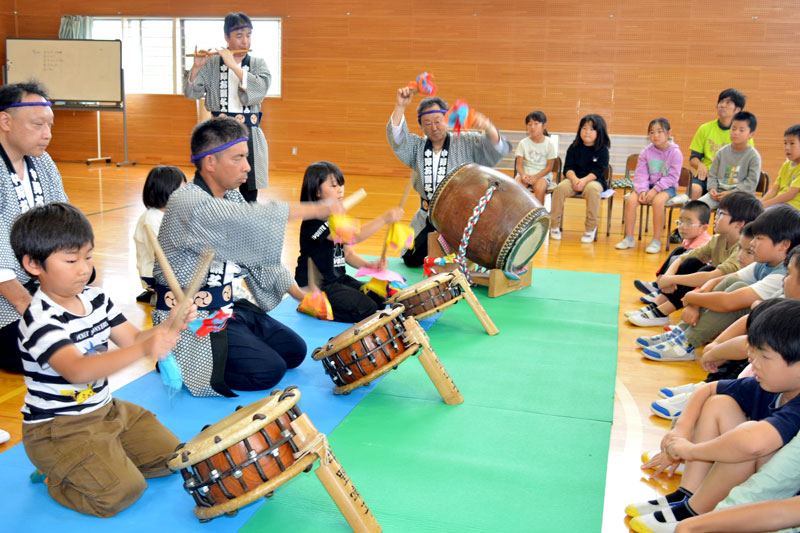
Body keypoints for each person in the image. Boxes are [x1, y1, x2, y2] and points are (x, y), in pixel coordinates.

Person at [10, 202, 195, 517]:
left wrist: (171, 324)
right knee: (121, 493)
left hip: (106, 410)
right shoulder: (39, 319)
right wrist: (147, 350)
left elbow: (134, 339)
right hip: (58, 429)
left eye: (88, 256)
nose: (83, 268)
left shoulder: (97, 299)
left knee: (175, 458)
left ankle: (101, 456)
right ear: (32, 264)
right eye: (71, 260)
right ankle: (55, 473)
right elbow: (78, 370)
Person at [152, 116, 343, 397]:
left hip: (229, 308)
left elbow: (259, 258)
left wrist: (300, 294)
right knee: (268, 371)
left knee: (295, 351)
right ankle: (178, 354)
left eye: (246, 157)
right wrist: (315, 209)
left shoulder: (232, 196)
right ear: (210, 163)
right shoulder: (186, 201)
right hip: (192, 320)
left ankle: (239, 338)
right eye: (238, 158)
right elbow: (246, 221)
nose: (247, 167)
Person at [627, 298, 800, 533]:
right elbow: (708, 388)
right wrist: (682, 431)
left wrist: (689, 450)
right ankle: (689, 494)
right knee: (720, 403)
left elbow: (752, 444)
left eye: (765, 357)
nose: (753, 363)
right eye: (754, 353)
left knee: (746, 442)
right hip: (759, 483)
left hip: (775, 501)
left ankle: (697, 511)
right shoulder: (768, 384)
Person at [639, 205, 800, 362]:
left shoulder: (780, 275)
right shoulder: (764, 263)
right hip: (750, 321)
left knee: (737, 288)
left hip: (766, 333)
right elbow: (719, 280)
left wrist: (691, 297)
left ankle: (688, 342)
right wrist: (694, 304)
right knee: (732, 281)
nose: (752, 243)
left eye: (759, 238)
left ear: (784, 245)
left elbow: (728, 302)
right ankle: (682, 332)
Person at [387, 87, 511, 267]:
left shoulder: (465, 141)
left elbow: (495, 147)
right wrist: (400, 106)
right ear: (421, 126)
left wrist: (487, 126)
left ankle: (459, 251)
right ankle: (442, 248)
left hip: (460, 217)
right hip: (428, 216)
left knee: (463, 260)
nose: (434, 127)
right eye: (427, 123)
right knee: (411, 259)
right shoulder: (417, 147)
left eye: (438, 121)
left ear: (447, 120)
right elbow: (398, 139)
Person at [0, 81, 68, 375]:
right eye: (38, 124)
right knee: (46, 353)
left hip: (40, 286)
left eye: (50, 125)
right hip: (7, 298)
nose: (48, 134)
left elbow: (64, 217)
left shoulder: (43, 162)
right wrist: (29, 306)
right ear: (5, 121)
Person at [294, 161, 404, 323]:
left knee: (380, 298)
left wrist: (370, 265)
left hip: (338, 279)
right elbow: (354, 236)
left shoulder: (337, 216)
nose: (340, 190)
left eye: (341, 184)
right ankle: (312, 306)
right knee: (368, 309)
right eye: (333, 186)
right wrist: (384, 219)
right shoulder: (314, 220)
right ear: (317, 191)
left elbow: (348, 253)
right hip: (318, 286)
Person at [633, 193, 763, 326]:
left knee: (708, 270)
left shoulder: (742, 249)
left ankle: (662, 312)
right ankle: (658, 304)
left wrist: (672, 279)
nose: (715, 217)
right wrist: (668, 276)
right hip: (711, 291)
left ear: (739, 223)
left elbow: (714, 276)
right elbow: (684, 258)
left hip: (729, 300)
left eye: (721, 214)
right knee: (691, 262)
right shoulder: (718, 239)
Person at [185, 12, 270, 202]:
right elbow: (192, 93)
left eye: (248, 35)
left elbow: (259, 91)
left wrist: (234, 66)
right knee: (219, 184)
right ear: (226, 37)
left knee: (249, 185)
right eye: (239, 36)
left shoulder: (258, 64)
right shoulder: (212, 64)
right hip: (219, 135)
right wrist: (197, 68)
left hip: (249, 133)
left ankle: (248, 224)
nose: (245, 41)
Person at [625, 201, 713, 327]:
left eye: (689, 223)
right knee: (679, 252)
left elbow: (699, 270)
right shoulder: (690, 239)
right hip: (683, 281)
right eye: (680, 221)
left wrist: (671, 280)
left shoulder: (705, 242)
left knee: (689, 261)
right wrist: (668, 279)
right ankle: (659, 287)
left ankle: (661, 308)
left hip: (700, 286)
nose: (682, 226)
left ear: (703, 227)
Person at [616, 118, 683, 253]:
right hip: (647, 186)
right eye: (652, 132)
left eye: (659, 132)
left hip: (666, 187)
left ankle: (656, 240)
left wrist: (654, 191)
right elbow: (640, 174)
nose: (655, 135)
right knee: (631, 200)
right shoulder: (646, 152)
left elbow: (672, 177)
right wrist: (642, 190)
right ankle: (629, 238)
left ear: (669, 133)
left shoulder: (675, 153)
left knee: (658, 202)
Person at [549, 114, 611, 243]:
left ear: (599, 132)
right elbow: (568, 168)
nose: (587, 131)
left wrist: (583, 181)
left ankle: (590, 228)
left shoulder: (602, 150)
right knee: (559, 188)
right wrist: (575, 179)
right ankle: (554, 225)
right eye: (584, 128)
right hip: (574, 179)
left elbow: (598, 171)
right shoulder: (574, 147)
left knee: (591, 189)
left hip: (594, 180)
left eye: (591, 129)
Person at [132, 166, 186, 303]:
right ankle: (161, 295)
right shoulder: (152, 219)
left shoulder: (172, 213)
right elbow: (164, 259)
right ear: (165, 190)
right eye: (182, 190)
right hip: (158, 275)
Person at [688, 88, 753, 201]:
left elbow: (746, 164)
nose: (722, 105)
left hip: (731, 177)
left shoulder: (743, 133)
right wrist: (700, 165)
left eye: (728, 103)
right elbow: (693, 158)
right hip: (707, 175)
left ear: (737, 109)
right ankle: (690, 217)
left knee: (729, 198)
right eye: (720, 102)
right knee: (694, 189)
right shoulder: (705, 128)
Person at [697, 111, 761, 210]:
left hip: (740, 197)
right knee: (697, 208)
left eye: (741, 130)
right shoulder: (721, 152)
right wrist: (712, 189)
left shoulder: (753, 156)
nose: (736, 133)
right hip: (718, 194)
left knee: (728, 215)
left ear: (751, 134)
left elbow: (751, 184)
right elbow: (713, 175)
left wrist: (731, 193)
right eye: (733, 128)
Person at [513, 110, 557, 205]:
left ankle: (539, 217)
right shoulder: (523, 143)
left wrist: (536, 177)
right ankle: (520, 215)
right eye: (529, 124)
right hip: (526, 174)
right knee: (516, 187)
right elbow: (519, 165)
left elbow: (549, 167)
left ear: (544, 126)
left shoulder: (550, 143)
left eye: (536, 124)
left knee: (540, 188)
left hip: (542, 175)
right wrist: (523, 175)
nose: (532, 127)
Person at [761, 124, 800, 210]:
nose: (787, 147)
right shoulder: (785, 165)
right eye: (785, 143)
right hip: (779, 205)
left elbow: (790, 194)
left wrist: (766, 205)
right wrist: (759, 203)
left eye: (792, 143)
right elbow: (774, 190)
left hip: (792, 210)